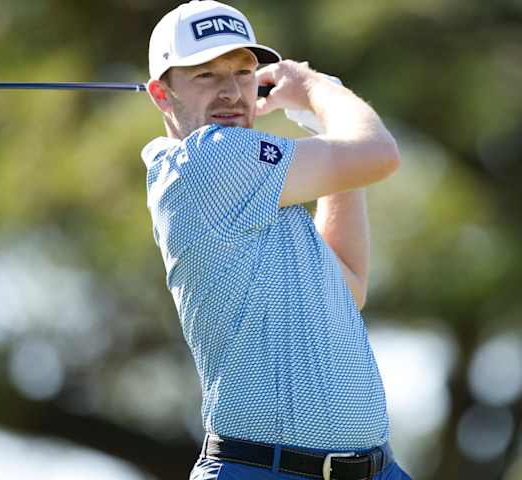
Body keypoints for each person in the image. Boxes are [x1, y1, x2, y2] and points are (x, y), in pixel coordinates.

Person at [141, 1, 410, 479]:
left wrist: (324, 126)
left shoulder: (261, 186)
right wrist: (319, 90)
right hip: (263, 470)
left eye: (243, 73)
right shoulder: (209, 160)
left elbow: (348, 285)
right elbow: (379, 154)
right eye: (205, 75)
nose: (230, 91)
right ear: (162, 95)